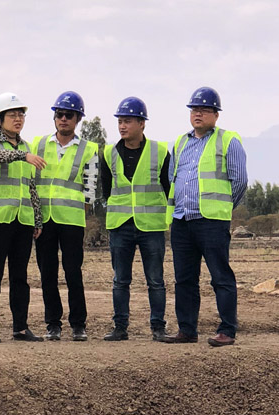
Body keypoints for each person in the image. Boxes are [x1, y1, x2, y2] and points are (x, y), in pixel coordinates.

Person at [163, 87, 247, 347]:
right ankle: (187, 330)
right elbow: (172, 179)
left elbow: (240, 181)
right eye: (194, 109)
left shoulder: (228, 141)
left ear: (216, 115)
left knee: (221, 277)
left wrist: (223, 208)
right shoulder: (180, 143)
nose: (197, 114)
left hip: (211, 222)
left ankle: (227, 330)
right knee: (184, 279)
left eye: (204, 110)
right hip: (182, 220)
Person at [0, 92, 47, 343]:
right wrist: (21, 156)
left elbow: (31, 186)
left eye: (21, 115)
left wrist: (37, 219)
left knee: (20, 277)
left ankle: (20, 327)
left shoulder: (27, 148)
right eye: (12, 115)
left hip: (23, 220)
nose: (18, 119)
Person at [100, 97, 170, 342]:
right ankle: (120, 328)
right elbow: (106, 190)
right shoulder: (108, 153)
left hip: (151, 226)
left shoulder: (160, 152)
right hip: (120, 225)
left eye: (127, 121)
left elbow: (168, 187)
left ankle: (158, 328)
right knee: (120, 280)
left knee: (156, 281)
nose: (122, 126)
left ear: (142, 123)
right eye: (120, 121)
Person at [31, 91, 98, 341]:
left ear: (78, 119)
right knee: (47, 274)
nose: (63, 119)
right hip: (44, 221)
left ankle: (78, 324)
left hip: (71, 220)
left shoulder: (88, 149)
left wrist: (82, 214)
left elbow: (90, 189)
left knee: (73, 273)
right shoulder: (38, 145)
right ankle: (53, 324)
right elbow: (31, 182)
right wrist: (35, 218)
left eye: (69, 115)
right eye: (59, 114)